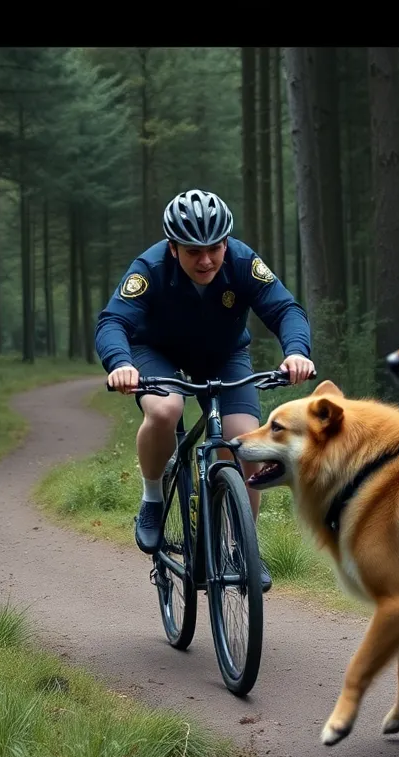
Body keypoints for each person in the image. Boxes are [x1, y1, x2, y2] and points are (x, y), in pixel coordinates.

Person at [95, 189, 316, 593]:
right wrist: (121, 364)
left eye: (214, 248)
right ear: (173, 246)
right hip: (155, 353)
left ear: (226, 242)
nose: (206, 260)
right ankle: (153, 497)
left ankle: (241, 549)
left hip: (223, 355)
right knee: (165, 411)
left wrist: (296, 353)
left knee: (248, 444)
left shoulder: (244, 262)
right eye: (194, 251)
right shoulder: (149, 268)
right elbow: (113, 321)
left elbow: (285, 309)